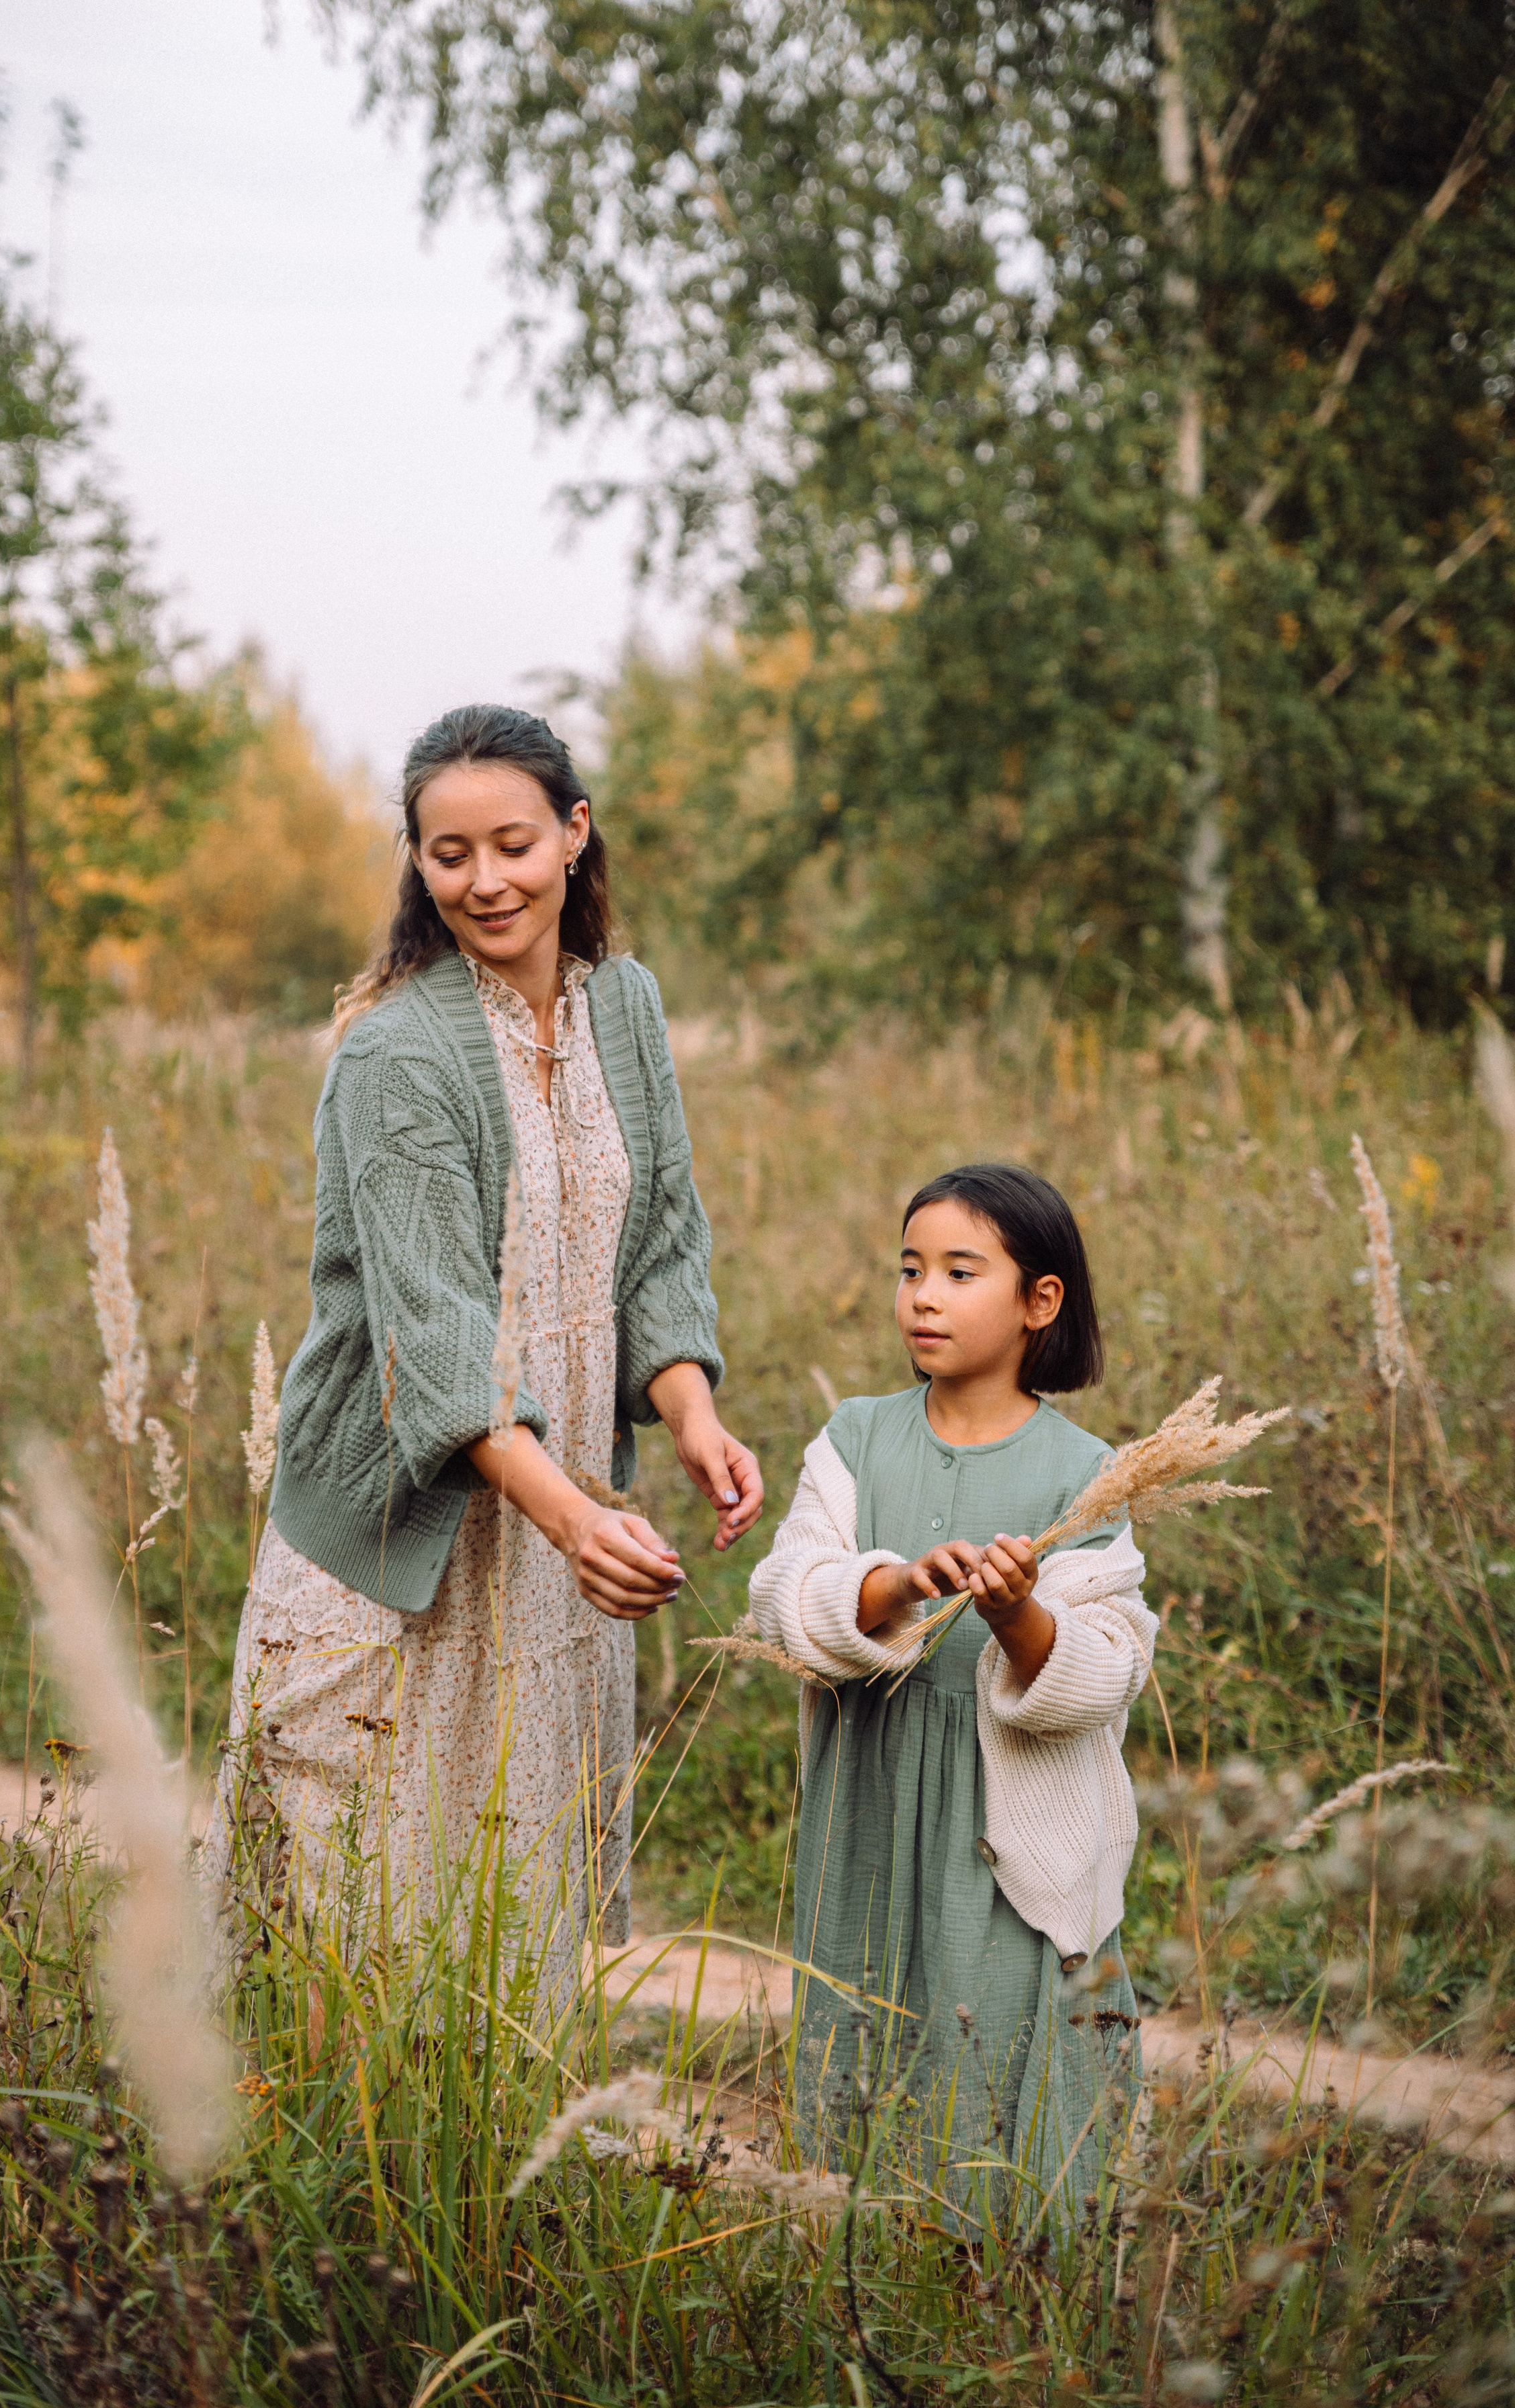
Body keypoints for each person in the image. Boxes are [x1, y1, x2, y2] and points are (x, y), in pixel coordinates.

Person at [204, 703, 762, 1967]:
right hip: (396, 1543)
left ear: (574, 832)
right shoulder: (395, 1056)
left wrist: (691, 1413)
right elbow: (437, 1339)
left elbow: (661, 1243)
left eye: (513, 844)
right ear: (418, 861)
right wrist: (575, 1520)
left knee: (517, 1921)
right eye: (449, 854)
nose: (485, 881)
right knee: (353, 1926)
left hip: (559, 1537)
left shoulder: (627, 1011)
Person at [748, 1164, 1155, 2217]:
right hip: (871, 1800)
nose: (923, 1296)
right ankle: (864, 2245)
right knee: (867, 2005)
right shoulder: (856, 1437)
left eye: (960, 1273)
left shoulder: (1084, 1473)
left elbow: (1111, 1663)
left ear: (1039, 1301)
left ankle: (1008, 2250)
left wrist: (1017, 1616)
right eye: (910, 1269)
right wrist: (891, 1585)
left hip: (1005, 1818)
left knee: (998, 2017)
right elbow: (783, 1592)